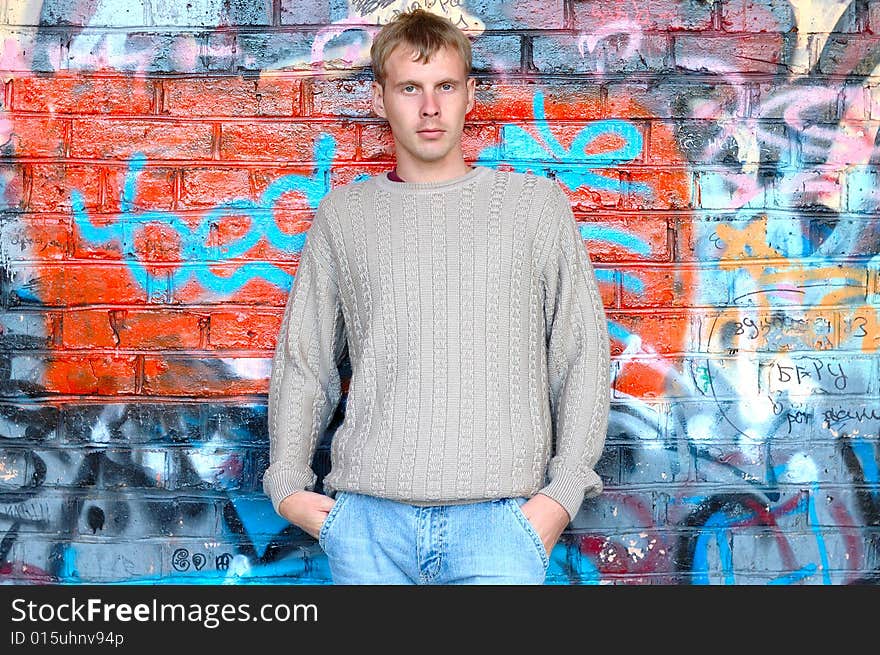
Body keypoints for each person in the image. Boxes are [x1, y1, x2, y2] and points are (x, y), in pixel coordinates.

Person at [262, 8, 611, 584]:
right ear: (380, 100)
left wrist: (560, 496)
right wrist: (288, 488)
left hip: (501, 529)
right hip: (369, 529)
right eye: (410, 88)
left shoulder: (533, 208)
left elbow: (581, 358)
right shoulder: (345, 216)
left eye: (446, 86)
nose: (430, 108)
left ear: (470, 95)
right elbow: (305, 364)